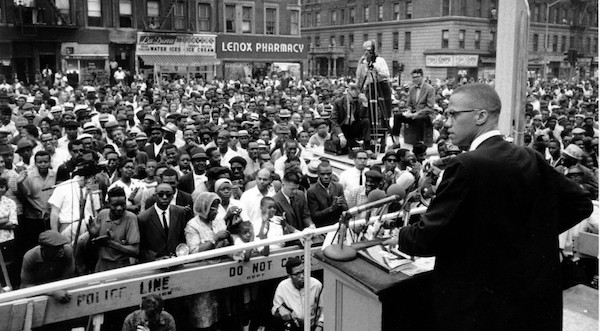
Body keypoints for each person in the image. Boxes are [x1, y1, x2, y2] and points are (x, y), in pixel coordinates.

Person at [383, 83, 593, 330]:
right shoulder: (530, 157)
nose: (445, 123)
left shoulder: (466, 165)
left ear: (481, 116)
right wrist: (532, 237)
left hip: (479, 306)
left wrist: (400, 236)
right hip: (531, 301)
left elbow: (428, 237)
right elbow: (580, 204)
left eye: (453, 114)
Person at [185, 192, 230, 330]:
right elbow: (194, 252)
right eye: (212, 209)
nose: (216, 211)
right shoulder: (192, 226)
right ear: (203, 208)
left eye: (217, 208)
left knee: (222, 312)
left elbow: (226, 240)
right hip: (202, 273)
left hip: (221, 270)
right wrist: (215, 239)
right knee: (204, 311)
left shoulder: (219, 220)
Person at [87, 186, 139, 272]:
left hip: (121, 267)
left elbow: (135, 251)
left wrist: (111, 244)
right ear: (107, 204)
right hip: (102, 265)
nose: (119, 208)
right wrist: (92, 235)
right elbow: (90, 248)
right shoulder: (102, 214)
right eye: (115, 205)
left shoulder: (131, 218)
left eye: (122, 204)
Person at [137, 184, 189, 262]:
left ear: (172, 197)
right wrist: (156, 258)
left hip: (177, 260)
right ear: (155, 195)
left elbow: (182, 238)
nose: (164, 197)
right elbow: (141, 246)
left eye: (168, 195)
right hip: (155, 264)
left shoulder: (180, 212)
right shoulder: (143, 217)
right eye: (161, 194)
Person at [20, 230, 75, 303]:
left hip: (61, 290)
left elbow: (67, 279)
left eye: (62, 246)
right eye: (56, 248)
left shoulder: (67, 251)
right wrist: (52, 292)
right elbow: (26, 286)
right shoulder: (30, 257)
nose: (61, 250)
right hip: (37, 294)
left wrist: (58, 291)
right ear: (43, 248)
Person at [272, 257, 323, 331]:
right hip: (293, 327)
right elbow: (275, 309)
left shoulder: (316, 285)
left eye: (303, 272)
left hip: (313, 327)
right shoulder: (282, 286)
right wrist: (280, 309)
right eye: (297, 274)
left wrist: (320, 327)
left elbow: (324, 310)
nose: (302, 276)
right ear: (289, 276)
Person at [393, 68, 436, 146]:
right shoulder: (412, 88)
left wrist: (417, 113)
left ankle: (420, 143)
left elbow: (429, 107)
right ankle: (396, 142)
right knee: (397, 116)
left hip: (426, 115)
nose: (415, 79)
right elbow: (410, 104)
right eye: (413, 77)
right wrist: (409, 111)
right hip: (414, 114)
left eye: (417, 77)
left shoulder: (430, 89)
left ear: (422, 77)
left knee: (419, 118)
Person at [356, 40, 392, 124]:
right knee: (371, 107)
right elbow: (359, 76)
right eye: (364, 50)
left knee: (385, 108)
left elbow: (386, 74)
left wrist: (376, 70)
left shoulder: (380, 60)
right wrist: (360, 64)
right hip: (371, 85)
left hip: (382, 85)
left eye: (368, 50)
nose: (366, 53)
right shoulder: (364, 62)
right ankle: (372, 126)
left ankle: (385, 128)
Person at [330, 84, 371, 152]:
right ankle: (349, 141)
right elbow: (334, 121)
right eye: (353, 98)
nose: (355, 100)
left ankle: (367, 146)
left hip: (352, 127)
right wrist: (341, 135)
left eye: (356, 98)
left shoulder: (358, 101)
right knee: (339, 142)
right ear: (348, 93)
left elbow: (363, 117)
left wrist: (365, 103)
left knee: (366, 121)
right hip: (342, 127)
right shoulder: (339, 102)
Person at [306, 161, 347, 227]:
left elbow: (345, 209)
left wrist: (341, 204)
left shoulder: (338, 187)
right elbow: (314, 216)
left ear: (332, 173)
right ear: (318, 174)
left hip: (337, 225)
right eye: (323, 174)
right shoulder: (311, 191)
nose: (326, 177)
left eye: (329, 174)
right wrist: (331, 209)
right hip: (322, 227)